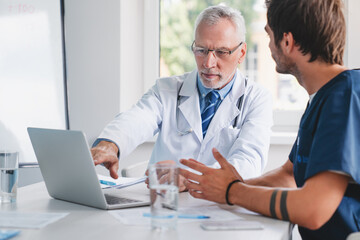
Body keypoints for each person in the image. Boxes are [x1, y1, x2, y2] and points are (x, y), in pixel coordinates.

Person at [180, 0, 360, 239]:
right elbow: (288, 176)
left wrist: (232, 191)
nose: (268, 46)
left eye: (269, 35)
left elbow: (314, 209)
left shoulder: (345, 94)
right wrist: (223, 184)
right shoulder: (323, 96)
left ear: (286, 41)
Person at [91, 5, 273, 191]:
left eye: (221, 52)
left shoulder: (256, 99)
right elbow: (137, 119)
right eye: (201, 50)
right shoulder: (167, 89)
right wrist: (110, 144)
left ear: (241, 53)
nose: (208, 63)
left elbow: (249, 162)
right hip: (163, 206)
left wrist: (189, 178)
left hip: (219, 210)